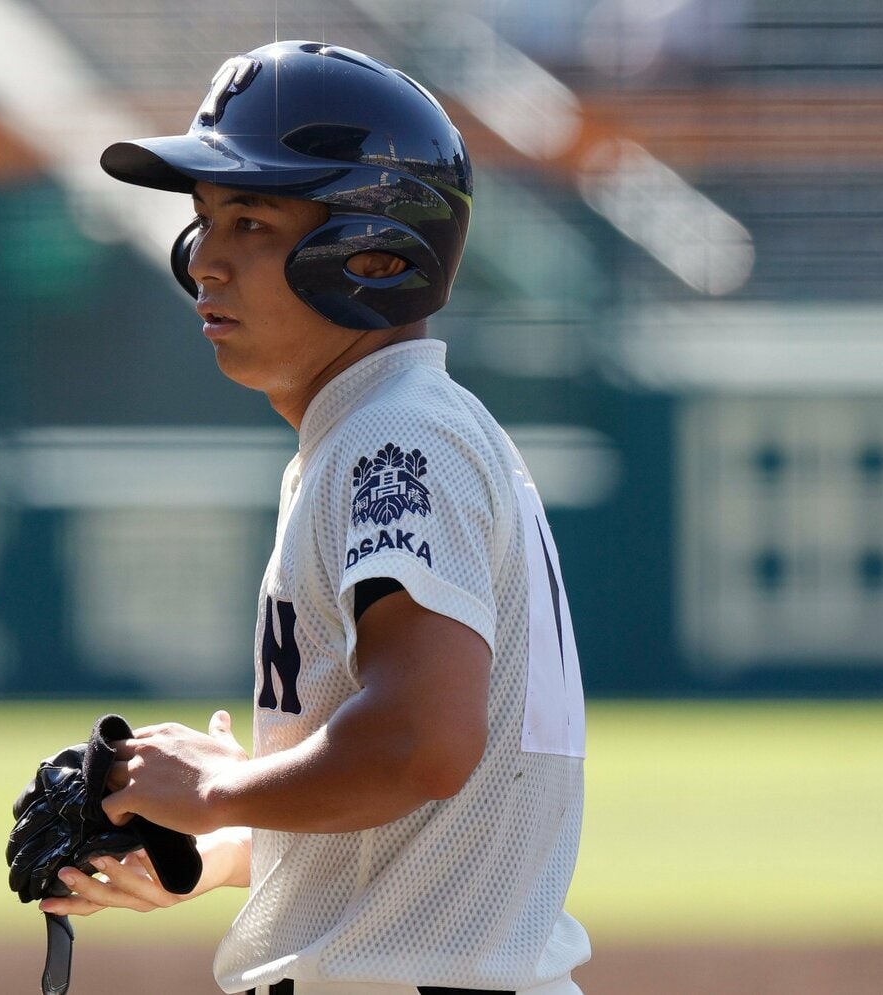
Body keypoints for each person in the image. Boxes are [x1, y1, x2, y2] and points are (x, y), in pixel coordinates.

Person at [41, 40, 590, 995]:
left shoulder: (395, 441)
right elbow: (416, 821)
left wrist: (215, 790)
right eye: (205, 220)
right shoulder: (383, 431)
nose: (204, 259)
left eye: (250, 220)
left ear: (376, 252)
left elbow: (422, 743)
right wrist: (212, 843)